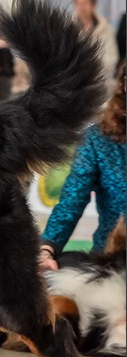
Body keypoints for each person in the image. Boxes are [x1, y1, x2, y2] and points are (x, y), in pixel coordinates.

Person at [39, 61, 125, 271]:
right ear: (124, 85)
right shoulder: (98, 139)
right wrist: (47, 248)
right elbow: (72, 201)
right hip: (114, 259)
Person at [71, 0, 119, 84]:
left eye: (85, 3)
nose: (81, 7)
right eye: (78, 3)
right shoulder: (68, 26)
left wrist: (91, 66)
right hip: (74, 80)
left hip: (100, 80)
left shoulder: (106, 28)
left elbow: (112, 58)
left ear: (93, 4)